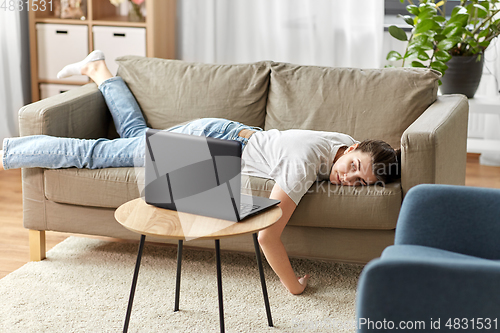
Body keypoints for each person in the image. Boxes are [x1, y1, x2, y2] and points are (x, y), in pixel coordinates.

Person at [0, 51, 401, 295]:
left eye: (360, 181)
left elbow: (371, 161)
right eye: (353, 168)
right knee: (96, 154)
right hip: (208, 145)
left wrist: (382, 165)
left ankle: (100, 71)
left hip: (222, 134)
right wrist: (295, 285)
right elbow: (267, 233)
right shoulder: (303, 163)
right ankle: (7, 150)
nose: (349, 179)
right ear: (350, 149)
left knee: (137, 140)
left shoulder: (343, 141)